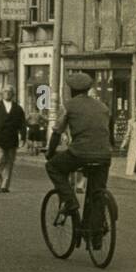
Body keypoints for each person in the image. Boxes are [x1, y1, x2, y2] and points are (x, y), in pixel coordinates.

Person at [45, 73, 113, 247]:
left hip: (80, 153)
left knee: (53, 167)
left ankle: (70, 201)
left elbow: (57, 132)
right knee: (97, 192)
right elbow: (109, 132)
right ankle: (95, 236)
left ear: (72, 90)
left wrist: (50, 152)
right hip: (104, 155)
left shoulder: (68, 106)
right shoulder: (102, 106)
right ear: (89, 88)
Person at [0, 85, 27, 194]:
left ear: (13, 94)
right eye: (5, 92)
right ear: (2, 94)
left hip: (11, 139)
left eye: (10, 92)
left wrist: (23, 137)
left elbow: (22, 124)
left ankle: (5, 186)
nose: (7, 93)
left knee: (9, 162)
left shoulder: (18, 108)